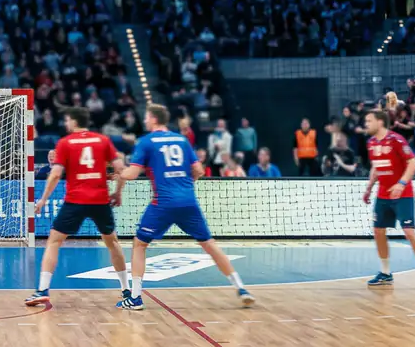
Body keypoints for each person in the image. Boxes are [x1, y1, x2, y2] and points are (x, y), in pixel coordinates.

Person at [114, 105, 252, 310]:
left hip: (163, 203)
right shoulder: (182, 139)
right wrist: (186, 184)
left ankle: (135, 298)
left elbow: (132, 174)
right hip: (188, 201)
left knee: (140, 244)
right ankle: (241, 288)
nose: (144, 120)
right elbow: (198, 170)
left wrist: (116, 174)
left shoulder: (146, 142)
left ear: (153, 119)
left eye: (146, 117)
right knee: (209, 244)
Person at [28, 107, 130, 307]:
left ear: (74, 121)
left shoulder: (65, 143)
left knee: (54, 242)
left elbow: (56, 174)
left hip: (75, 200)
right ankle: (126, 290)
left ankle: (42, 290)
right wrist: (117, 192)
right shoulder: (102, 140)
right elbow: (121, 170)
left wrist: (43, 199)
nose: (66, 123)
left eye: (67, 120)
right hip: (100, 200)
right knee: (113, 243)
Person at [363, 108, 415, 290]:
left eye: (369, 121)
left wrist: (401, 183)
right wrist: (369, 187)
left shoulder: (396, 140)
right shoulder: (371, 143)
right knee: (378, 231)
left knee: (409, 232)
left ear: (380, 122)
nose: (366, 124)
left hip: (403, 194)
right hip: (383, 194)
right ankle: (385, 273)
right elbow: (376, 167)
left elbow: (413, 163)